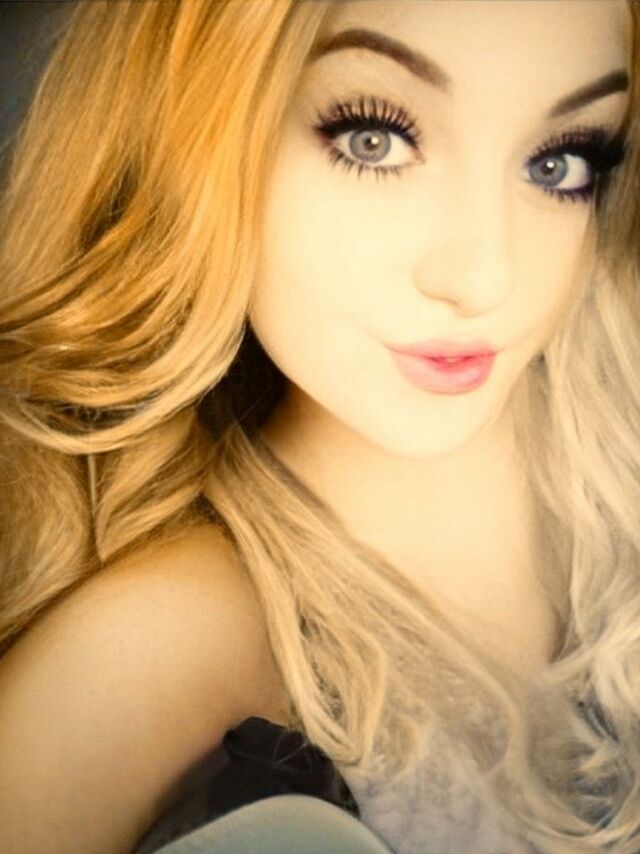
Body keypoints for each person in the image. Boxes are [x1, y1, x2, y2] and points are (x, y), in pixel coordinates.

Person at [0, 0, 638, 851]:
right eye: (374, 140)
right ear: (199, 134)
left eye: (559, 163)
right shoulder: (141, 660)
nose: (484, 276)